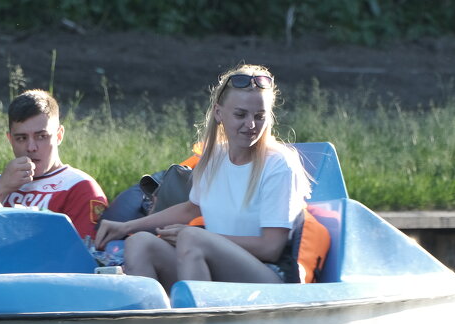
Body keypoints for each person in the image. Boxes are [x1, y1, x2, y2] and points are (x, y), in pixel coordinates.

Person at [92, 65, 310, 291]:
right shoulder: (214, 157)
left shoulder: (278, 165)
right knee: (139, 242)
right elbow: (191, 209)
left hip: (268, 276)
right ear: (218, 113)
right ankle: (151, 320)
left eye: (259, 116)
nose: (251, 125)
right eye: (240, 114)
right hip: (218, 271)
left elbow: (270, 247)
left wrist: (199, 237)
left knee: (192, 239)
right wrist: (126, 227)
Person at [0, 89, 107, 242]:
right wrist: (2, 188)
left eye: (41, 137)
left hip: (41, 263)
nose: (31, 147)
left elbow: (83, 255)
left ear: (59, 135)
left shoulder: (79, 186)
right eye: (21, 138)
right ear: (10, 139)